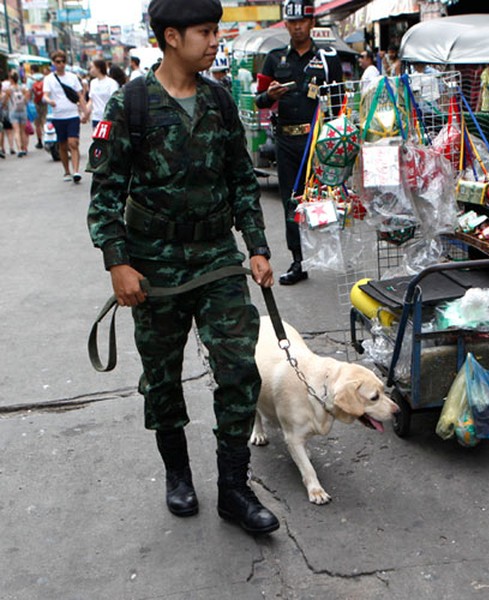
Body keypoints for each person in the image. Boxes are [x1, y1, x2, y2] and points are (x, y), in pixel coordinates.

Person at [86, 0, 280, 536]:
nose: (215, 40)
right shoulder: (132, 104)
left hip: (217, 258)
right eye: (205, 32)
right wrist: (118, 265)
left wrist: (258, 246)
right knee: (163, 379)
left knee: (240, 370)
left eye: (216, 30)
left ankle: (235, 491)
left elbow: (242, 179)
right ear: (172, 37)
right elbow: (105, 196)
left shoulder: (218, 99)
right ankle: (178, 475)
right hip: (154, 265)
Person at [255, 0, 343, 285]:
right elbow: (259, 100)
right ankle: (298, 261)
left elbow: (339, 102)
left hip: (317, 141)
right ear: (286, 24)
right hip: (286, 140)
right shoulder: (274, 58)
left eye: (302, 22)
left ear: (312, 22)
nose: (297, 27)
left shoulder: (328, 58)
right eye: (291, 22)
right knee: (291, 203)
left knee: (326, 198)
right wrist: (271, 96)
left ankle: (331, 253)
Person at [43, 51, 88, 182]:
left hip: (72, 115)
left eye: (63, 62)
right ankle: (66, 171)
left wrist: (85, 112)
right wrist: (49, 100)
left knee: (73, 143)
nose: (61, 64)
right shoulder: (49, 79)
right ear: (53, 63)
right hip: (58, 116)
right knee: (62, 145)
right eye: (58, 62)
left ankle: (76, 171)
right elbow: (45, 94)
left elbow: (79, 96)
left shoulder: (72, 77)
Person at [2, 71, 30, 156]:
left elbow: (5, 102)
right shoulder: (23, 88)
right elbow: (27, 99)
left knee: (16, 131)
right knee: (23, 131)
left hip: (13, 111)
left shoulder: (9, 90)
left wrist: (3, 106)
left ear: (11, 79)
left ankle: (19, 149)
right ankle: (25, 148)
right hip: (23, 111)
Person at [86, 59, 120, 129]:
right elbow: (91, 100)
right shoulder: (93, 83)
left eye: (92, 67)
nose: (90, 70)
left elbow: (115, 100)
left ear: (98, 68)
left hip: (108, 118)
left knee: (107, 139)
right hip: (96, 117)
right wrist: (85, 113)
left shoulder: (111, 83)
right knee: (97, 139)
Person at [27, 64, 47, 150]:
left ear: (32, 70)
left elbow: (29, 92)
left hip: (35, 102)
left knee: (37, 123)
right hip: (44, 101)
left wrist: (28, 102)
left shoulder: (30, 79)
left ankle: (40, 141)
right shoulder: (45, 78)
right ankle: (48, 138)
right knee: (44, 120)